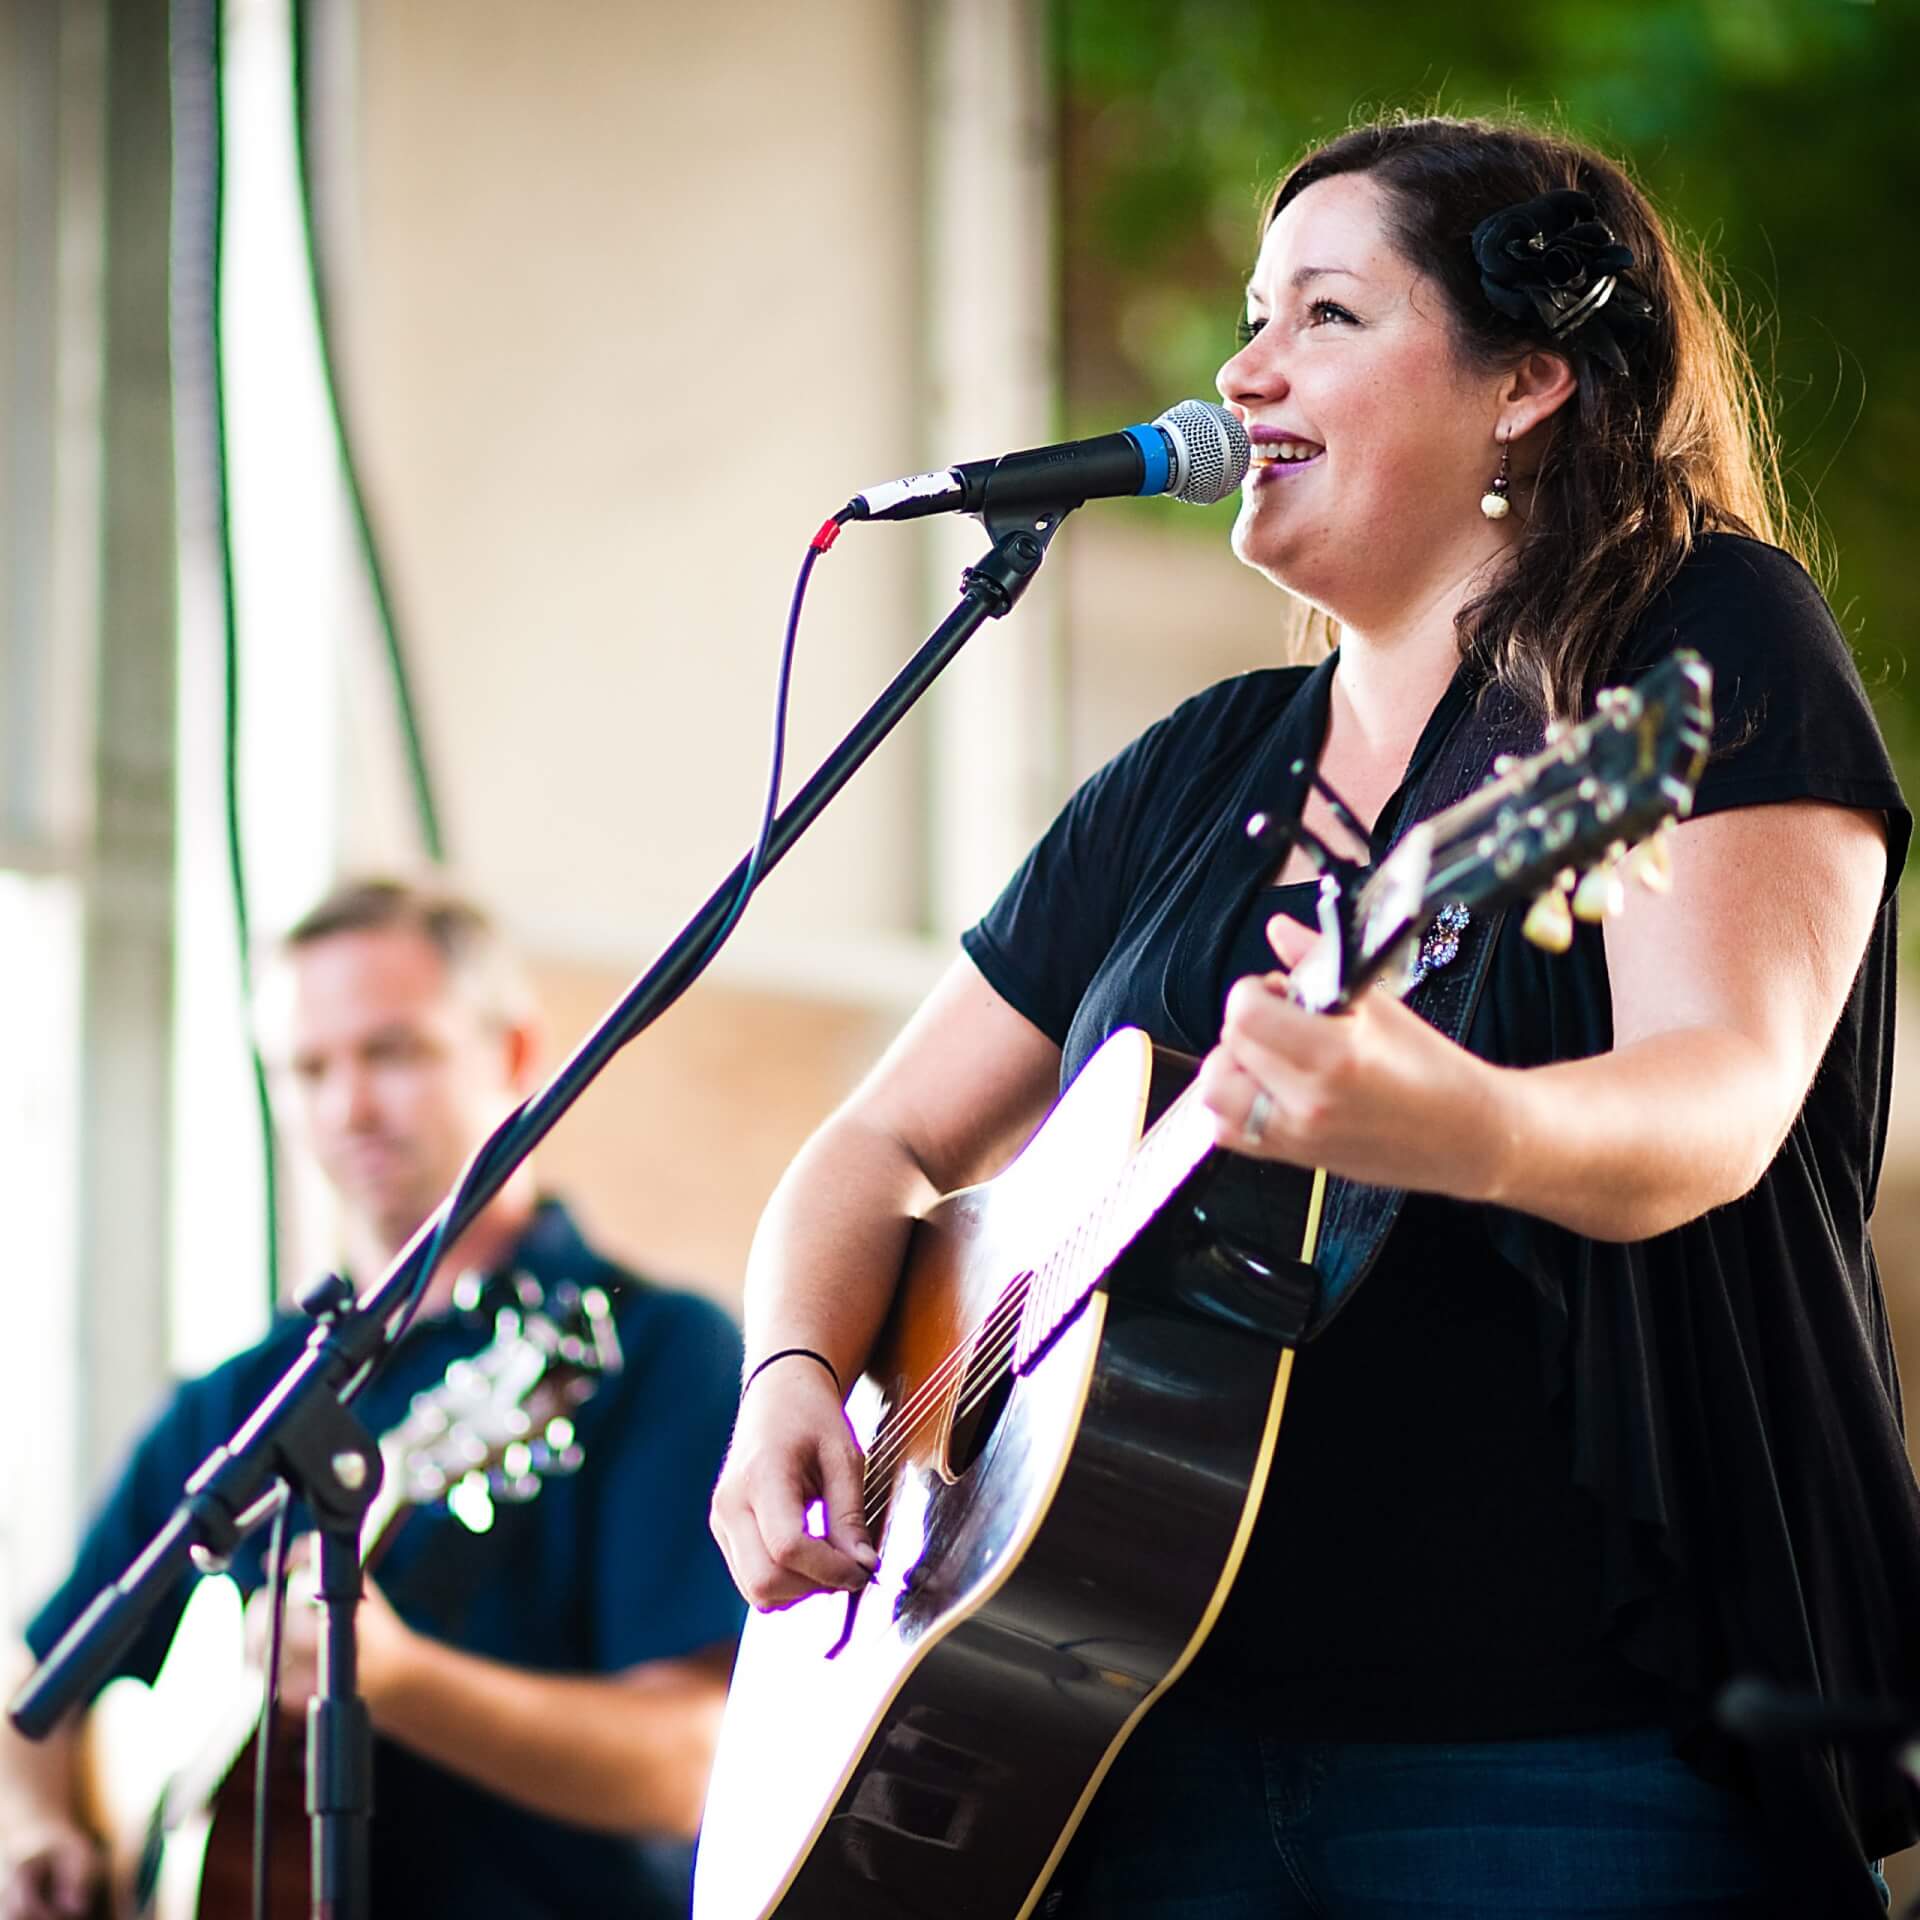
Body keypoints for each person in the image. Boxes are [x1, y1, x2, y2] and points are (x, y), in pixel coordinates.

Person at [708, 113, 1920, 1916]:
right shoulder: (1195, 774)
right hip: (1129, 1752)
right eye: (1251, 315)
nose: (1242, 367)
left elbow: (1719, 1101)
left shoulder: (1688, 652)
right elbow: (876, 1142)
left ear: (1525, 378)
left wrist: (1456, 1120)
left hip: (1560, 1762)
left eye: (1326, 316)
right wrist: (795, 1374)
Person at [1, 877, 745, 1920]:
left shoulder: (654, 1351)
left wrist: (398, 1682)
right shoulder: (246, 1397)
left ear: (516, 1057)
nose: (348, 1105)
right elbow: (36, 1691)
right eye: (309, 1068)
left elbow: (693, 1769)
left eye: (393, 1051)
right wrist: (38, 1829)